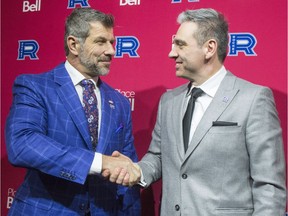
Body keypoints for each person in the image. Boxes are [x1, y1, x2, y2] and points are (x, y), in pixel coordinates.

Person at [108, 8, 287, 215]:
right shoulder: (169, 102)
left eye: (180, 45)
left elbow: (269, 187)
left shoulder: (253, 99)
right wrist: (137, 170)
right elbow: (158, 156)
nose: (171, 53)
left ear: (209, 48)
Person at [5, 7, 141, 216]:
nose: (112, 50)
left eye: (112, 42)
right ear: (74, 44)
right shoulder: (35, 87)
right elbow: (23, 144)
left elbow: (127, 169)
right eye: (101, 41)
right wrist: (101, 162)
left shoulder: (120, 102)